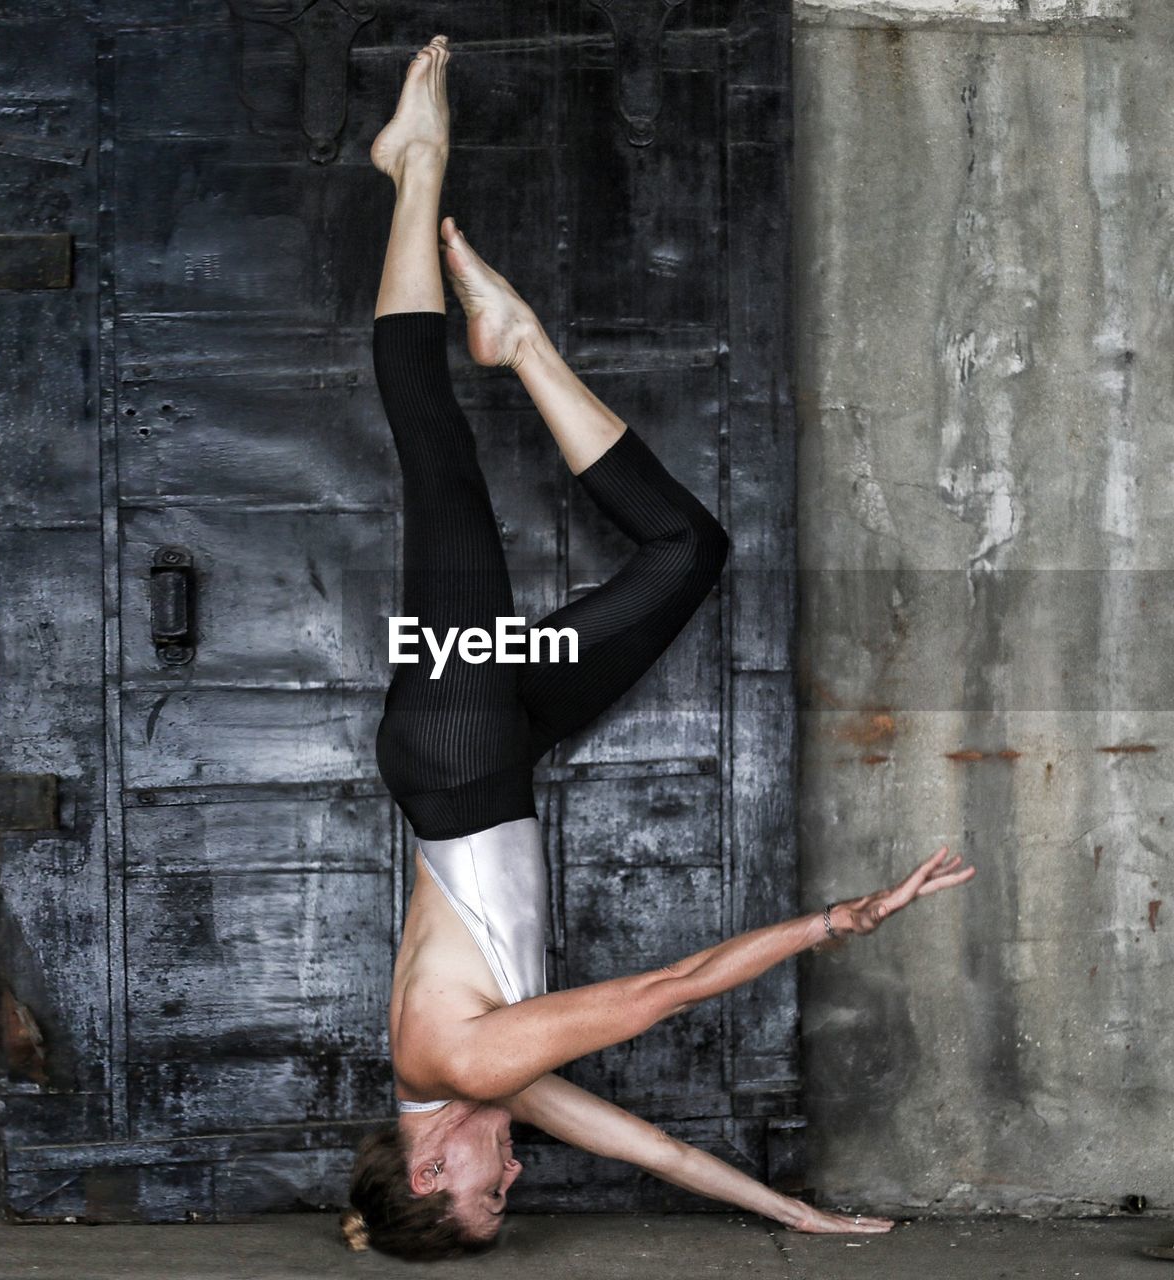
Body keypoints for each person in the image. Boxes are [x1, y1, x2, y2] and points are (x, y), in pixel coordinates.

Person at [339, 35, 977, 1262]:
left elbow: (663, 991)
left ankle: (412, 167)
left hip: (459, 741)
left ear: (430, 1164)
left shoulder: (463, 1057)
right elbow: (651, 1147)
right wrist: (799, 1214)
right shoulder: (477, 1086)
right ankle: (518, 343)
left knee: (439, 459)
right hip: (491, 756)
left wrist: (837, 922)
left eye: (490, 1187)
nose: (514, 1170)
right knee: (683, 551)